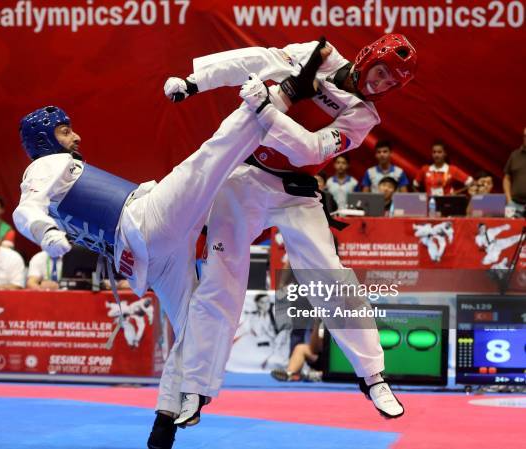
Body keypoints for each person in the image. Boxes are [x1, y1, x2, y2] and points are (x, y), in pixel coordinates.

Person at [12, 85, 323, 443]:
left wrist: (48, 229)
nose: (76, 135)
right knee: (212, 157)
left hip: (144, 258)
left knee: (196, 328)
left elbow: (34, 208)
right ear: (43, 140)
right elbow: (25, 210)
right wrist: (45, 233)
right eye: (65, 131)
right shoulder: (45, 165)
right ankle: (281, 94)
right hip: (146, 220)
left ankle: (164, 421)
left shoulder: (57, 176)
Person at [157, 34, 416, 446]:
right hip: (244, 180)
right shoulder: (320, 56)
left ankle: (372, 377)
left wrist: (266, 110)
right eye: (382, 73)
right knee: (220, 283)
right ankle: (195, 390)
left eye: (391, 85)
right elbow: (253, 59)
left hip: (297, 191)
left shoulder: (364, 116)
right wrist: (195, 81)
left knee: (330, 276)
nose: (381, 85)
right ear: (367, 58)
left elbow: (310, 149)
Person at [503, 128, 526, 217]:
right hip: (515, 205)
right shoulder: (514, 156)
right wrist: (509, 200)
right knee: (512, 230)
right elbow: (506, 179)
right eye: (525, 136)